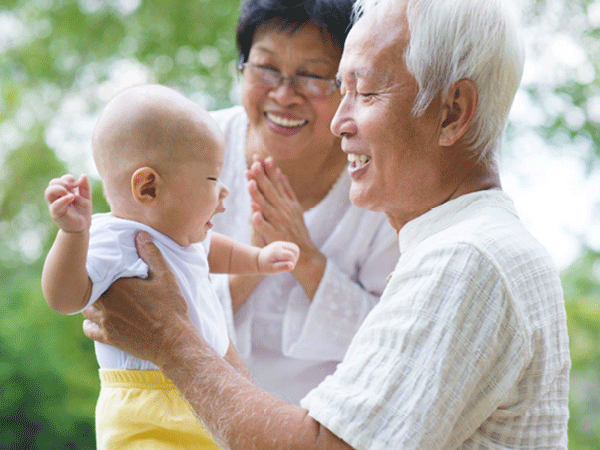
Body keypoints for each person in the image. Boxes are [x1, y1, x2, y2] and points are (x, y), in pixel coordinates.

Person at [81, 0, 571, 448]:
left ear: (452, 112)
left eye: (363, 91)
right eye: (344, 88)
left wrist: (171, 339)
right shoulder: (460, 244)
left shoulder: (466, 258)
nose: (339, 121)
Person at [41, 84, 299, 450]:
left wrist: (257, 259)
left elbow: (215, 253)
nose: (224, 192)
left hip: (205, 390)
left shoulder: (184, 238)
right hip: (146, 406)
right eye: (212, 179)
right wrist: (71, 234)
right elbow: (64, 298)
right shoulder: (112, 238)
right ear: (148, 187)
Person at [209, 0, 400, 405]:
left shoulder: (384, 187)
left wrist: (309, 262)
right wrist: (254, 264)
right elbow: (148, 308)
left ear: (351, 83)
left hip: (323, 428)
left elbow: (394, 346)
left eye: (312, 75)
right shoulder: (195, 147)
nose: (284, 94)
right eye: (265, 68)